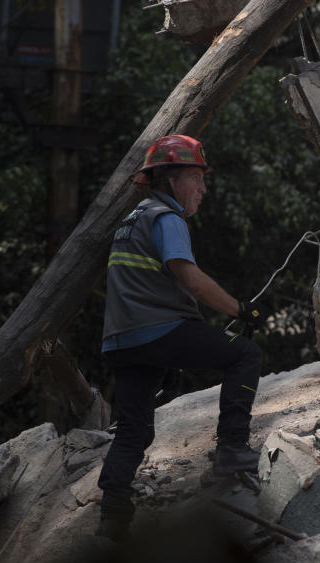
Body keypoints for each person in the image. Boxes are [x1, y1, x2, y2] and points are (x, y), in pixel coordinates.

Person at [96, 134, 267, 541]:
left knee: (133, 429)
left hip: (122, 341)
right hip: (158, 330)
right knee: (244, 354)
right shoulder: (166, 218)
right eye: (196, 178)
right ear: (170, 179)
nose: (203, 189)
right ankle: (231, 448)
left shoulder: (131, 220)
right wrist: (241, 309)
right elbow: (190, 278)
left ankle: (112, 522)